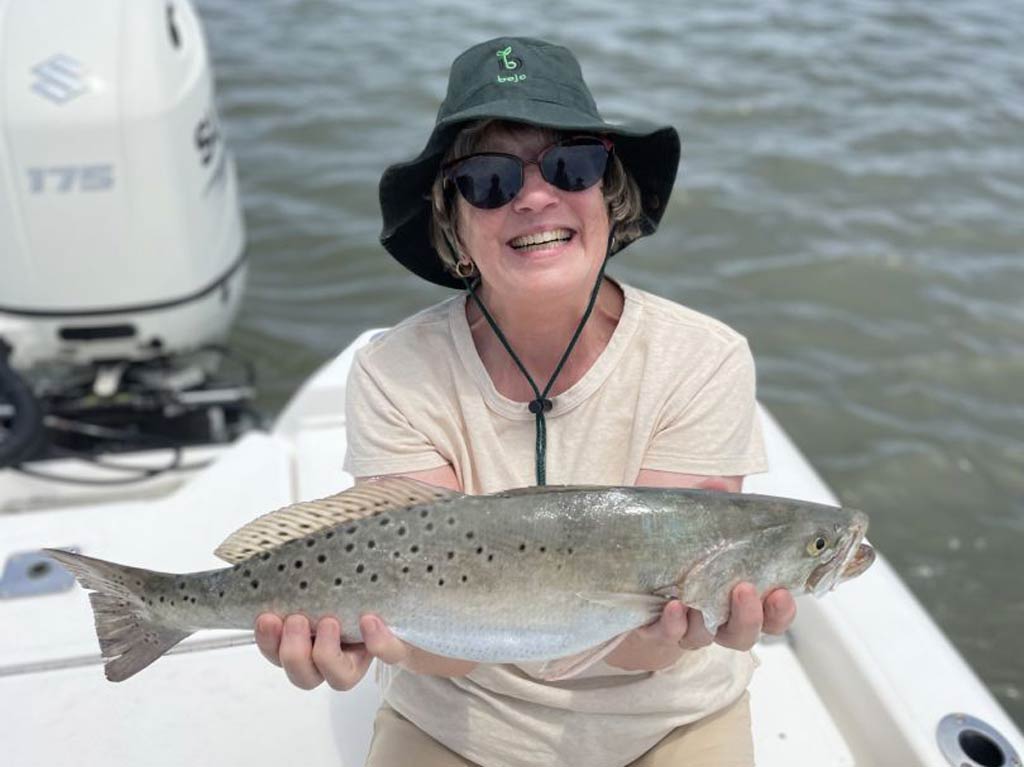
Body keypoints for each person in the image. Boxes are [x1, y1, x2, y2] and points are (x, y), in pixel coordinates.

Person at [254, 36, 797, 767]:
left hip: (669, 719)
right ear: (453, 224)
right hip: (457, 721)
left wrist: (678, 628)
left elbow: (649, 642)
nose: (536, 196)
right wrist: (365, 639)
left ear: (609, 190)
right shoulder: (394, 370)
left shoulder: (703, 359)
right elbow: (439, 646)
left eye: (572, 165)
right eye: (488, 179)